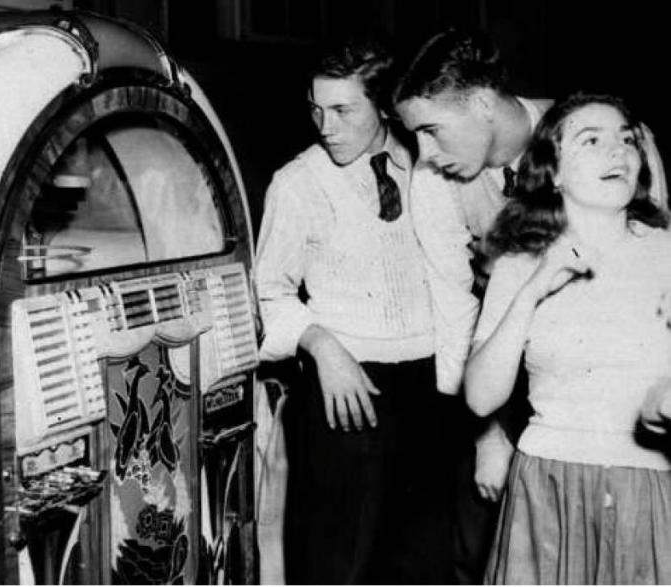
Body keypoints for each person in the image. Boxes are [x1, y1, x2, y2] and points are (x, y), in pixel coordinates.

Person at [391, 29, 669, 583]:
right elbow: (455, 314)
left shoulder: (598, 135)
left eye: (430, 129)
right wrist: (488, 436)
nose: (424, 154)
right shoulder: (435, 182)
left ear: (481, 104)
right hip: (513, 375)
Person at [255, 38, 458, 584]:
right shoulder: (297, 184)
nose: (326, 127)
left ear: (384, 106)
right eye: (316, 110)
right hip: (346, 392)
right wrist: (322, 346)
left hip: (432, 389)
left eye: (343, 110)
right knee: (340, 565)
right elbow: (268, 292)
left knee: (424, 565)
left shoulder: (432, 164)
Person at [463, 93, 671, 583]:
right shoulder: (519, 263)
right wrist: (533, 290)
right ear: (552, 171)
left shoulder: (666, 254)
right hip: (547, 485)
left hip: (647, 486)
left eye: (627, 140)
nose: (617, 151)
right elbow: (481, 397)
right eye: (591, 140)